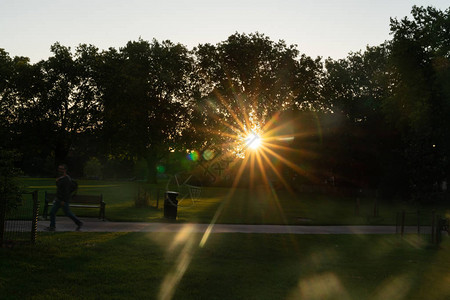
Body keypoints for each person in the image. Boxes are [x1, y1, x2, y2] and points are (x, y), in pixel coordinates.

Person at [46, 164, 83, 231]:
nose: (60, 170)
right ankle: (52, 226)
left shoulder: (66, 179)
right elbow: (60, 188)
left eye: (61, 169)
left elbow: (66, 191)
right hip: (58, 199)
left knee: (67, 213)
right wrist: (57, 181)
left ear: (65, 170)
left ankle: (79, 223)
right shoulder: (61, 178)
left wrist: (64, 200)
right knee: (53, 212)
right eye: (59, 168)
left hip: (62, 200)